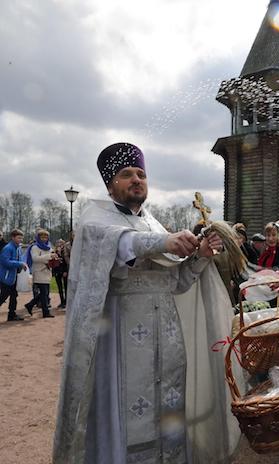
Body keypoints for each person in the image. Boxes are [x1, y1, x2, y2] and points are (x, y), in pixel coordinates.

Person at [53, 142, 238, 464]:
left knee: (169, 412)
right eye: (127, 175)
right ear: (110, 184)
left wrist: (201, 258)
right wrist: (164, 242)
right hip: (120, 341)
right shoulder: (94, 218)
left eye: (141, 174)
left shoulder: (153, 222)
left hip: (167, 341)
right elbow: (119, 241)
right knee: (126, 417)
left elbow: (175, 282)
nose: (137, 179)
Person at [26, 229, 57, 318]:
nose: (44, 238)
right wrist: (49, 256)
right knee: (44, 293)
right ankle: (45, 312)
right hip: (39, 271)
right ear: (38, 237)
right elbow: (35, 258)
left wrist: (55, 258)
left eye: (46, 236)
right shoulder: (34, 247)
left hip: (47, 271)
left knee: (45, 293)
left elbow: (51, 258)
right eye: (42, 236)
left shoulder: (49, 247)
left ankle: (30, 305)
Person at [0, 229, 29, 321]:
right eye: (19, 238)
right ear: (13, 237)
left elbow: (20, 260)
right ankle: (12, 314)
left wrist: (22, 265)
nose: (21, 240)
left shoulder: (18, 248)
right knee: (4, 296)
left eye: (22, 238)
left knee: (14, 295)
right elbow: (5, 261)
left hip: (13, 276)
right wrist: (19, 264)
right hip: (6, 277)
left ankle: (11, 314)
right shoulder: (8, 248)